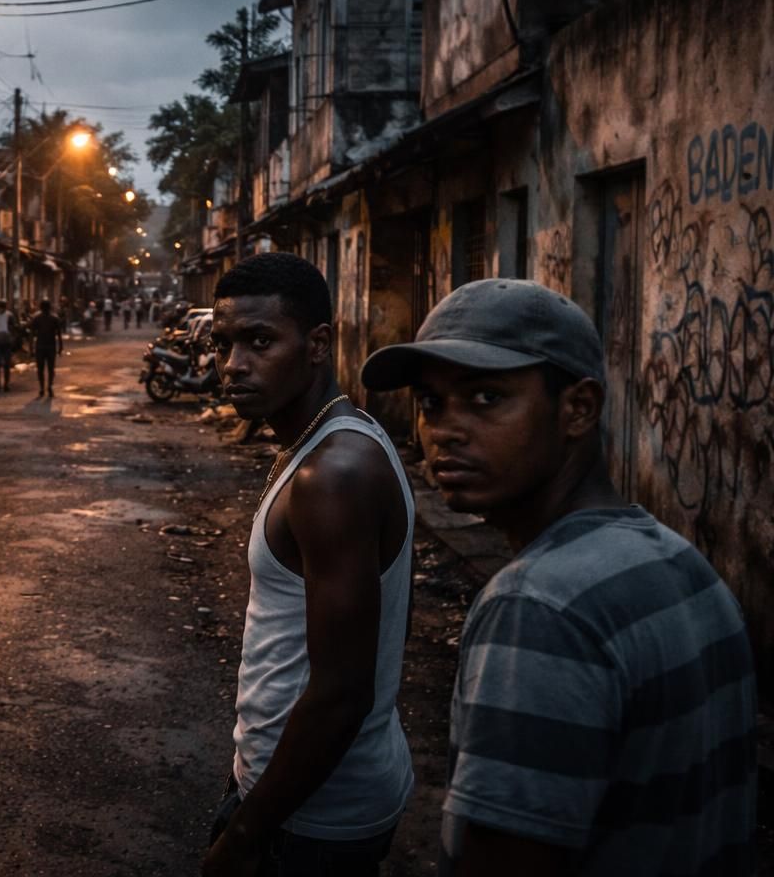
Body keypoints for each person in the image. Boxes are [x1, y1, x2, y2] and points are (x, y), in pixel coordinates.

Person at [360, 278, 757, 877]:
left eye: (486, 397)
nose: (444, 430)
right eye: (431, 403)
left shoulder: (538, 607)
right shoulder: (680, 563)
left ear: (578, 408)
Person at [204, 252, 414, 877]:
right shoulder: (330, 440)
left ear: (317, 344)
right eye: (222, 344)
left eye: (259, 342)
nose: (233, 365)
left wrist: (245, 832)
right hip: (297, 793)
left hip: (310, 818)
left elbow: (342, 692)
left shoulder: (334, 474)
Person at [29, 299, 64, 398]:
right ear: (50, 308)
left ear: (41, 308)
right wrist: (60, 347)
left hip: (40, 346)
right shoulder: (54, 318)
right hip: (50, 347)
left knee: (40, 369)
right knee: (50, 368)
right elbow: (59, 334)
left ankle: (42, 388)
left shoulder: (37, 318)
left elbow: (31, 334)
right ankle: (49, 386)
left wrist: (31, 348)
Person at [0, 298, 17, 392]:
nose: (2, 309)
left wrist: (12, 338)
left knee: (6, 364)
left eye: (3, 307)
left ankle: (6, 384)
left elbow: (13, 327)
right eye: (0, 307)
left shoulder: (9, 315)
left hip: (6, 341)